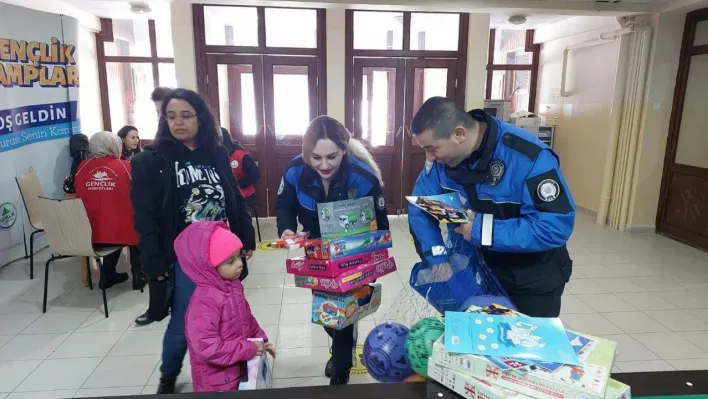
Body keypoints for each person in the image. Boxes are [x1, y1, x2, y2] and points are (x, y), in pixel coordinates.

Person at [131, 88, 256, 394]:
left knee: (229, 313)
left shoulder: (216, 153)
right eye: (171, 116)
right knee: (186, 322)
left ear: (200, 118)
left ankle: (227, 368)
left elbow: (233, 197)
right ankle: (168, 376)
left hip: (223, 252)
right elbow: (145, 216)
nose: (179, 122)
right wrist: (152, 260)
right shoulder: (152, 160)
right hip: (186, 260)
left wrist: (244, 237)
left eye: (186, 115)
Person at [408, 97, 575, 318]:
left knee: (523, 347)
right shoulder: (441, 166)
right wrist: (438, 260)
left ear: (459, 134)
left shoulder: (528, 157)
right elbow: (422, 209)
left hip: (530, 281)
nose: (429, 157)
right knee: (473, 347)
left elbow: (554, 225)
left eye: (432, 148)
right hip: (473, 277)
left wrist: (480, 230)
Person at [276, 115, 388, 385]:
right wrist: (287, 228)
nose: (323, 165)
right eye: (316, 158)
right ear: (306, 153)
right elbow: (284, 206)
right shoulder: (293, 171)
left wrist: (374, 262)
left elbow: (380, 224)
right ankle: (342, 345)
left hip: (354, 251)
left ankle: (341, 371)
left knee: (343, 311)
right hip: (316, 251)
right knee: (327, 311)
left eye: (332, 157)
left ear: (344, 151)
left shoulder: (363, 176)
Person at [176, 221, 275, 393]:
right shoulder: (204, 302)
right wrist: (248, 349)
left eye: (239, 256)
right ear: (208, 266)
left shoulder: (234, 286)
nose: (240, 264)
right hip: (217, 382)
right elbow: (207, 348)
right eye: (230, 261)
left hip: (237, 369)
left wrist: (260, 339)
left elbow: (247, 319)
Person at [74, 131, 144, 289]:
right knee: (136, 224)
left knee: (112, 223)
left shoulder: (82, 166)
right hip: (120, 232)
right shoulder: (125, 166)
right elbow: (141, 192)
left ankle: (107, 274)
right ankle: (138, 276)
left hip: (88, 232)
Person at [134, 87, 174, 327]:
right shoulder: (148, 160)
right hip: (161, 227)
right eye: (163, 114)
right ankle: (156, 309)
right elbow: (144, 215)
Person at [221, 128, 260, 204]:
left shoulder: (240, 155)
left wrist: (236, 184)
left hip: (242, 191)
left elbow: (255, 173)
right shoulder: (212, 155)